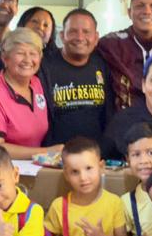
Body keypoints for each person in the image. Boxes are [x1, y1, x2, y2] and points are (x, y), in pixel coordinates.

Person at [0, 28, 61, 159]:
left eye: (33, 53)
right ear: (5, 58)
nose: (27, 60)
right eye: (20, 53)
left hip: (33, 169)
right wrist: (47, 152)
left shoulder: (37, 83)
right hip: (0, 171)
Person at [40, 8, 110, 145]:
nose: (79, 38)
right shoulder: (44, 66)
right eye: (72, 31)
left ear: (96, 38)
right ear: (62, 35)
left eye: (86, 32)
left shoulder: (103, 65)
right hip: (54, 158)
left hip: (95, 157)